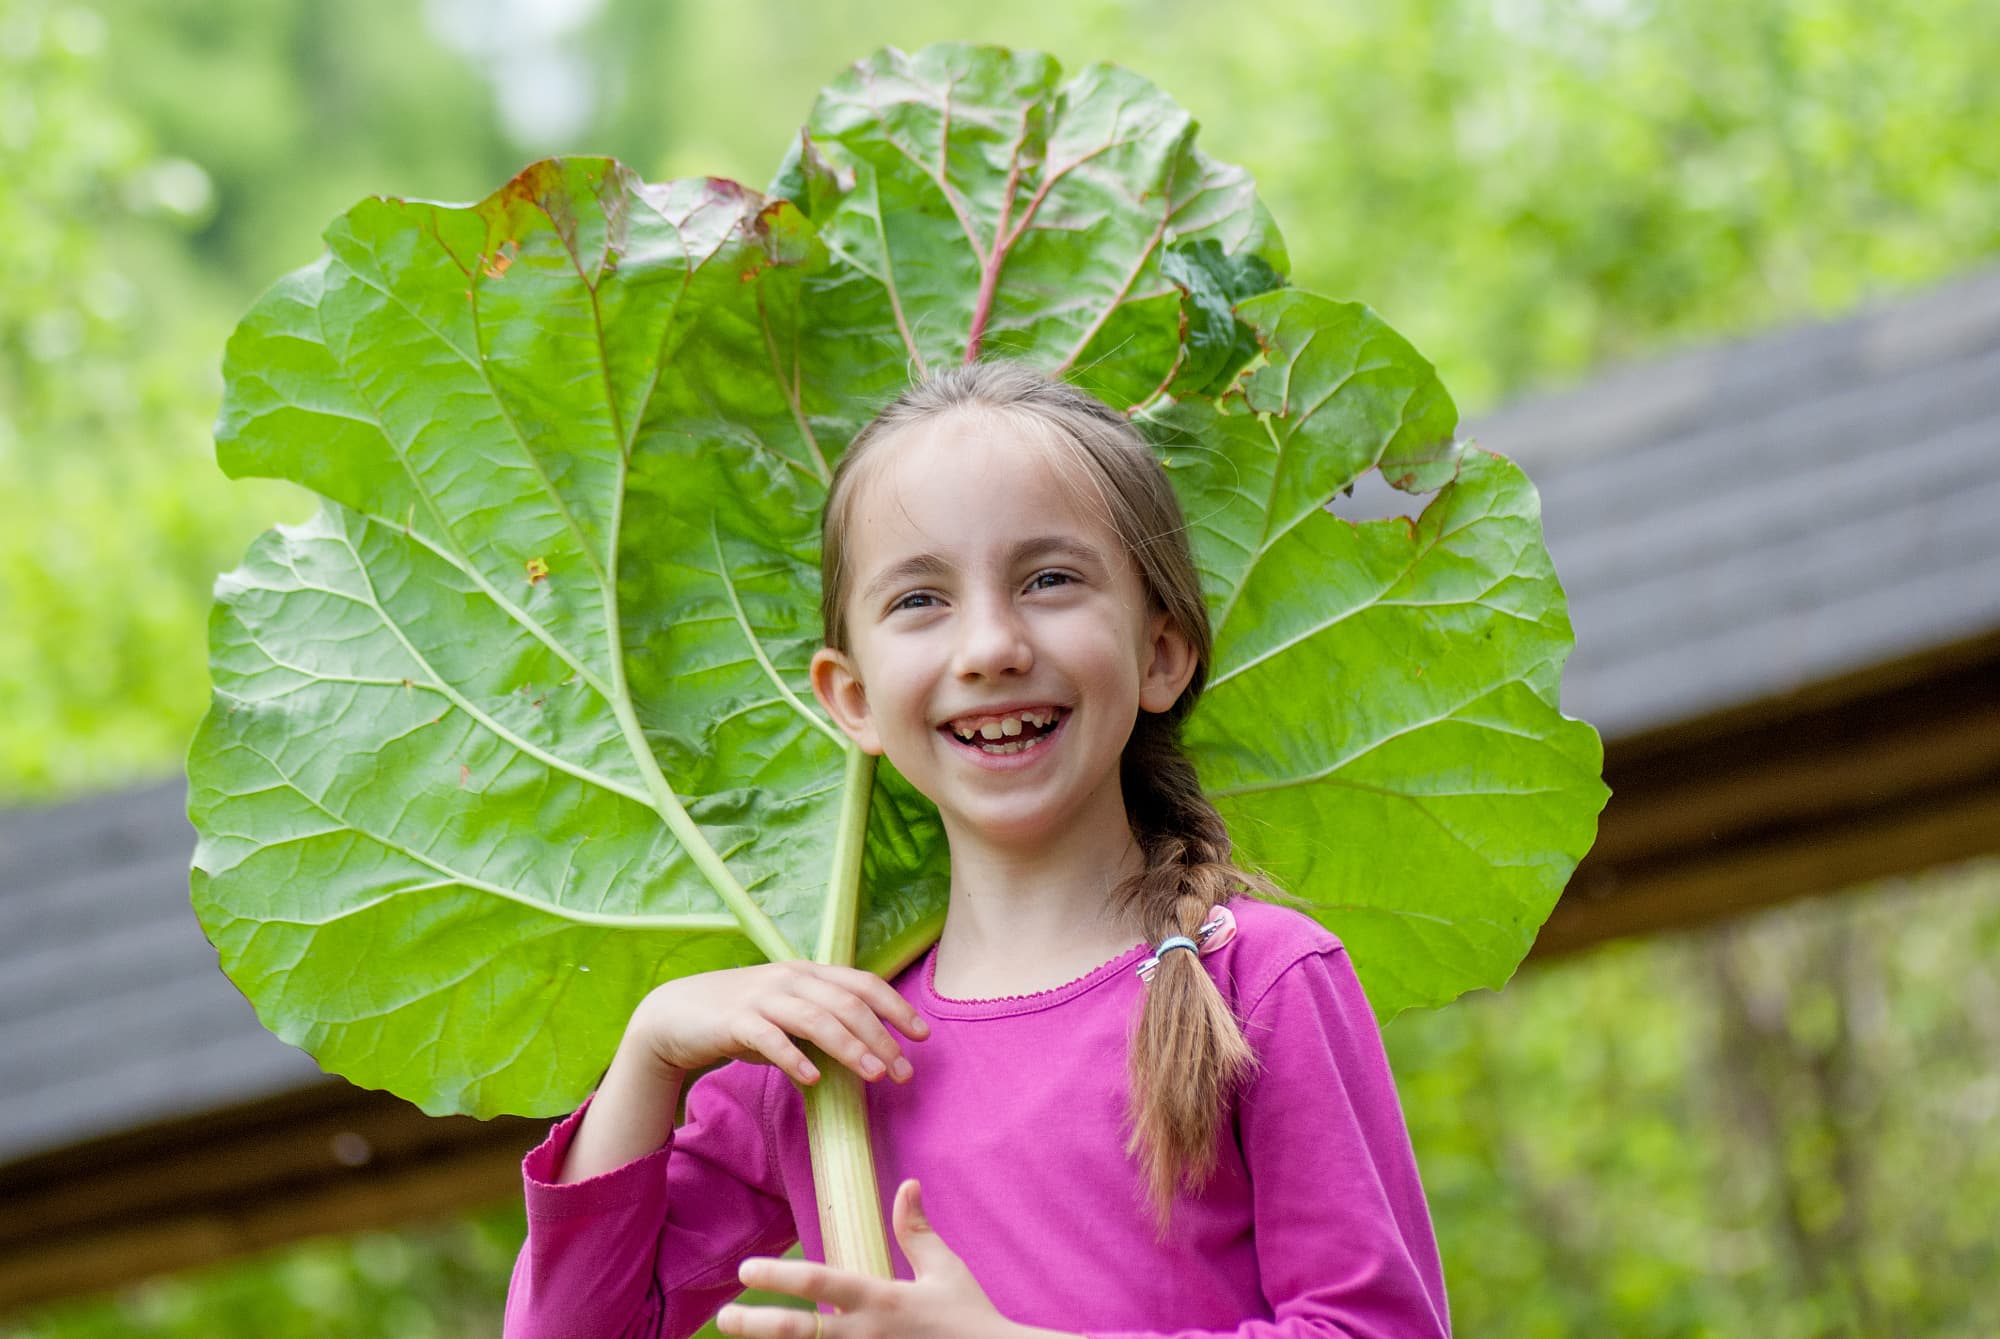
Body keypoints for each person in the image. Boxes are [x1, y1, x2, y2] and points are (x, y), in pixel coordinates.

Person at [502, 360, 1452, 1339]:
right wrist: (652, 1047)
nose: (990, 645)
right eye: (920, 599)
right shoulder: (825, 1047)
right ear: (852, 699)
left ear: (1161, 653)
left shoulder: (1258, 978)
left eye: (1049, 580)